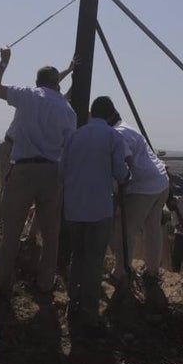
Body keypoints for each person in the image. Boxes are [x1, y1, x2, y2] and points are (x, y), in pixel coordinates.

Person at [0, 46, 76, 299]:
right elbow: (69, 148)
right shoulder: (67, 110)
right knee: (50, 234)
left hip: (23, 170)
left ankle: (2, 282)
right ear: (57, 84)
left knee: (12, 230)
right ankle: (46, 283)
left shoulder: (27, 94)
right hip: (51, 172)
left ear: (37, 82)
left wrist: (4, 62)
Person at [61, 96, 131, 339]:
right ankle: (90, 314)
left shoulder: (74, 136)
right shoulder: (114, 137)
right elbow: (120, 173)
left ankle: (74, 303)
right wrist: (128, 175)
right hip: (99, 209)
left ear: (91, 112)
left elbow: (63, 168)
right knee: (94, 260)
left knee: (77, 256)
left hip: (73, 207)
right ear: (111, 115)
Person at [107, 111, 169, 289]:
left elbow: (122, 164)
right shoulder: (127, 127)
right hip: (161, 182)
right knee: (153, 229)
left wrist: (117, 193)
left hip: (144, 187)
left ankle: (121, 272)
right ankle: (152, 272)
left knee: (124, 230)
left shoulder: (118, 133)